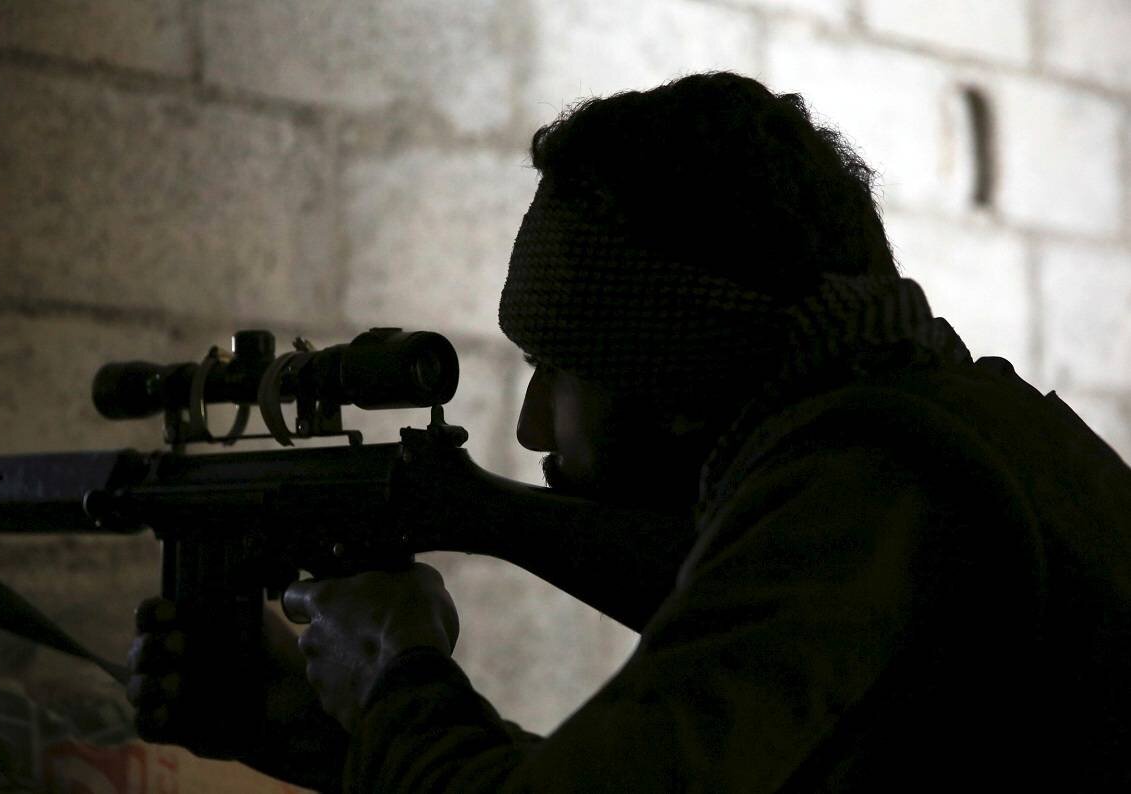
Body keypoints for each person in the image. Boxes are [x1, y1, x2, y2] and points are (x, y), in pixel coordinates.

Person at [128, 72, 1131, 791]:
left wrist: (398, 672)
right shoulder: (943, 434)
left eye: (557, 370)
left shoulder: (867, 489)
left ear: (674, 373)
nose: (531, 428)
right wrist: (335, 735)